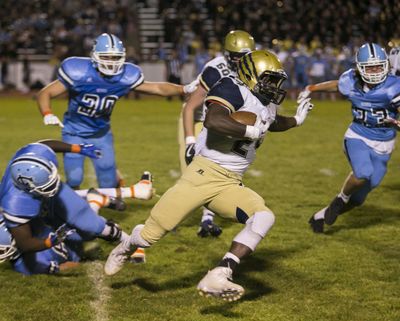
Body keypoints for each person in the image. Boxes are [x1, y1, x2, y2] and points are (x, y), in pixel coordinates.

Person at [104, 50, 314, 301]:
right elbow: (214, 121)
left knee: (263, 217)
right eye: (268, 79)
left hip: (230, 183)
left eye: (275, 81)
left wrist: (297, 121)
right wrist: (249, 131)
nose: (273, 86)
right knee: (149, 236)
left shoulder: (264, 101)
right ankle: (126, 246)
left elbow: (271, 122)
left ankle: (221, 273)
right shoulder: (231, 87)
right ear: (250, 75)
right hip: (202, 175)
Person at [37, 33, 196, 190]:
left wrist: (184, 88)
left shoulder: (125, 76)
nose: (111, 62)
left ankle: (108, 199)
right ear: (95, 56)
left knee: (107, 181)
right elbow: (45, 93)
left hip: (101, 133)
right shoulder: (79, 73)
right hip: (73, 133)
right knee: (73, 179)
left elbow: (157, 88)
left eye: (115, 57)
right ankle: (74, 209)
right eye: (106, 57)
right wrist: (47, 112)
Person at [300, 43, 400, 233]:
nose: (375, 71)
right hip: (357, 136)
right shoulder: (351, 80)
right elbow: (337, 85)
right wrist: (312, 88)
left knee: (359, 199)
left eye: (379, 66)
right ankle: (341, 198)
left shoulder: (393, 87)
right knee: (363, 172)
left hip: (385, 143)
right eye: (370, 67)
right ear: (360, 68)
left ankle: (322, 214)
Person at [179, 30, 255, 237]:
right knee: (200, 174)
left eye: (246, 58)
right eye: (238, 58)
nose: (243, 63)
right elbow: (190, 107)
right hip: (207, 124)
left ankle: (209, 218)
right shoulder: (215, 69)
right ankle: (175, 215)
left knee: (229, 171)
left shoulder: (254, 68)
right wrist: (189, 140)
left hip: (234, 127)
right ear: (228, 55)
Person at [0, 140, 127, 260]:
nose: (53, 183)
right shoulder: (15, 205)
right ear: (29, 188)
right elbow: (26, 243)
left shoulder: (37, 157)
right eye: (48, 184)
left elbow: (45, 145)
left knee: (89, 224)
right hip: (34, 209)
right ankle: (93, 201)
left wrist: (78, 148)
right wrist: (50, 242)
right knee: (72, 239)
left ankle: (121, 237)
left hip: (41, 195)